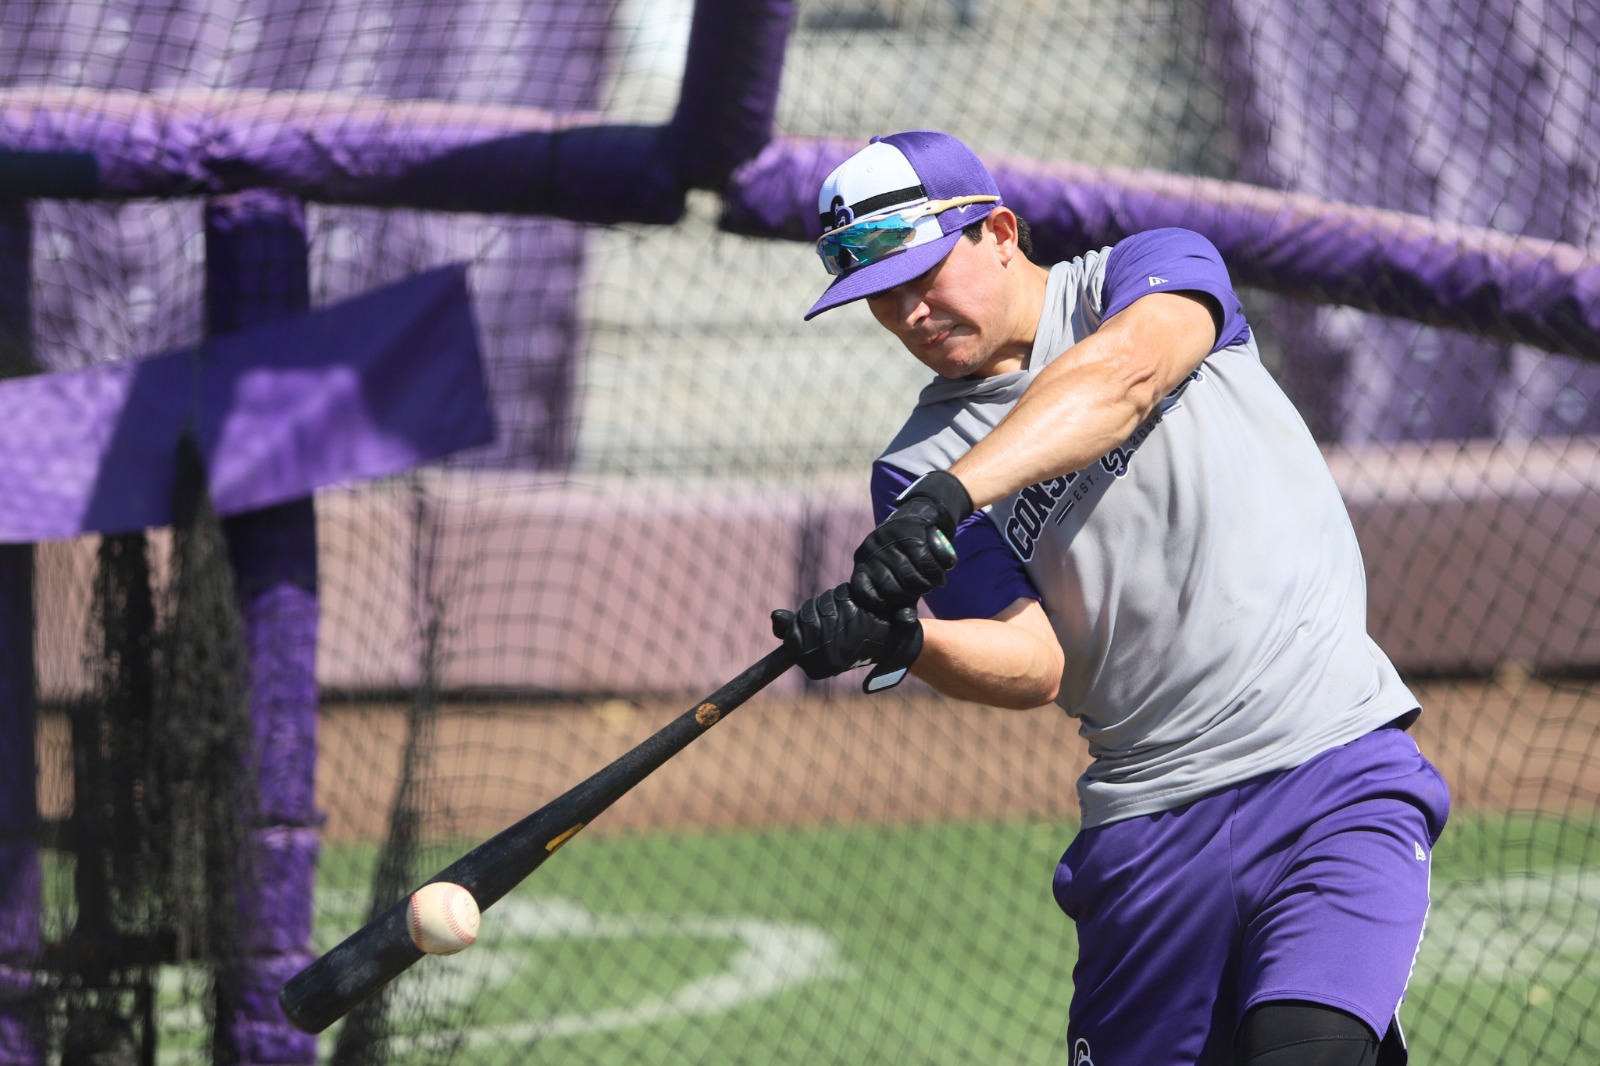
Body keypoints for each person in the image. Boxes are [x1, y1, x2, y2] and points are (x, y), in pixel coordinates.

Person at [769, 130, 1451, 1066]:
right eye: (879, 295)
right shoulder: (911, 463)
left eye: (924, 272)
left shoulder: (1145, 271)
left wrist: (956, 493)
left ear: (1000, 231)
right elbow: (1036, 663)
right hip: (1150, 828)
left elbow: (1128, 377)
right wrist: (907, 645)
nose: (909, 311)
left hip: (1331, 764)